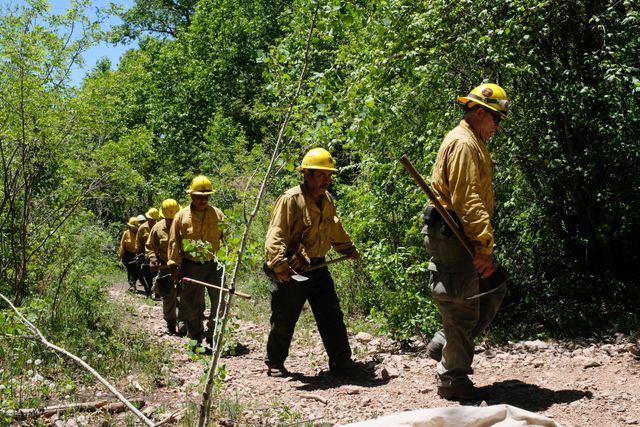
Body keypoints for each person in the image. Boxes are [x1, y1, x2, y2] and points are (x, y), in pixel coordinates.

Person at [421, 83, 509, 400]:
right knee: (461, 305)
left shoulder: (472, 142)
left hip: (460, 231)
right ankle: (452, 379)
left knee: (493, 285)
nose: (497, 127)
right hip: (453, 230)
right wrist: (484, 246)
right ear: (480, 112)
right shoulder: (463, 144)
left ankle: (446, 342)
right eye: (496, 119)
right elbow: (468, 200)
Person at [264, 147, 361, 378]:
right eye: (321, 175)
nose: (326, 180)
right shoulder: (290, 200)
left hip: (319, 267)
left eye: (329, 175)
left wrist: (348, 249)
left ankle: (341, 361)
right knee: (285, 317)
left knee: (331, 315)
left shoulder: (326, 199)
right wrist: (279, 265)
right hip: (293, 269)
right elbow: (275, 235)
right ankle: (275, 363)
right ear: (307, 174)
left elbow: (335, 229)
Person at [167, 175, 226, 346]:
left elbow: (227, 240)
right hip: (190, 266)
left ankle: (213, 334)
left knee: (220, 301)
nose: (203, 200)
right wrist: (173, 265)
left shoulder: (218, 214)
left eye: (206, 196)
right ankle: (196, 339)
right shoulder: (181, 216)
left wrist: (228, 261)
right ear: (191, 196)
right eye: (199, 196)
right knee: (193, 306)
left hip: (214, 265)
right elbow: (173, 242)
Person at [147, 199, 188, 335]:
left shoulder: (186, 225)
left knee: (187, 295)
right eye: (168, 219)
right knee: (168, 296)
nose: (171, 221)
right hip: (165, 266)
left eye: (173, 218)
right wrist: (152, 259)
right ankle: (170, 322)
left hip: (185, 265)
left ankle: (183, 321)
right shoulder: (157, 228)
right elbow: (150, 247)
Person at [136, 207, 160, 298]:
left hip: (157, 256)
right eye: (151, 219)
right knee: (147, 276)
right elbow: (138, 242)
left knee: (157, 275)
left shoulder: (158, 227)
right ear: (148, 218)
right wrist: (138, 254)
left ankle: (158, 293)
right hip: (145, 256)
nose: (153, 221)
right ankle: (148, 293)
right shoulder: (142, 228)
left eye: (154, 219)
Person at [118, 217, 141, 292]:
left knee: (137, 270)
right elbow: (122, 244)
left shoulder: (140, 233)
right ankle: (132, 285)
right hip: (128, 254)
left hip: (137, 254)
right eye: (132, 227)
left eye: (135, 227)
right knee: (130, 270)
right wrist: (121, 255)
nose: (133, 228)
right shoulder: (126, 233)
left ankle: (134, 283)